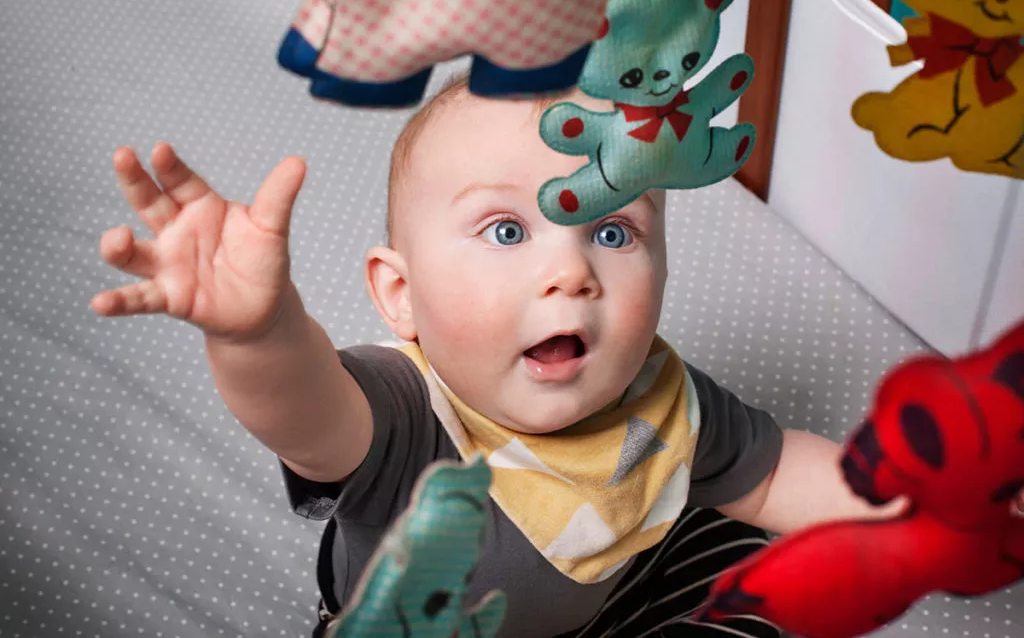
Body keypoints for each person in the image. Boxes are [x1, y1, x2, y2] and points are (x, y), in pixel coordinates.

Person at [91, 76, 909, 637]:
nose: (570, 271)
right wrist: (258, 333)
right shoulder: (405, 408)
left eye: (613, 230)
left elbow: (775, 474)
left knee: (755, 551)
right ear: (400, 293)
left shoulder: (662, 394)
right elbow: (303, 409)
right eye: (508, 231)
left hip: (608, 600)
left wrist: (930, 505)